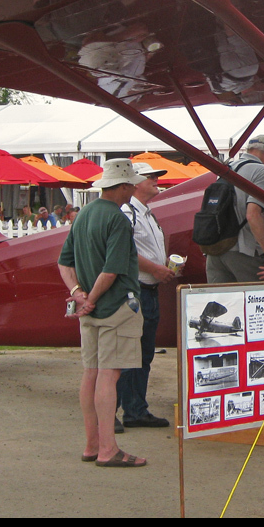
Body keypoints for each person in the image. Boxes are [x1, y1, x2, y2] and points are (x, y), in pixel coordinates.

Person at [57, 158, 148, 468]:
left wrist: (77, 294)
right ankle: (109, 449)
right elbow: (112, 270)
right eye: (132, 184)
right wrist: (92, 298)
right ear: (122, 187)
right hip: (116, 307)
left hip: (90, 313)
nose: (135, 188)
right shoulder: (119, 220)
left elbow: (64, 262)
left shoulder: (83, 216)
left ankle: (92, 444)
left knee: (91, 373)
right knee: (110, 375)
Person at [115, 162, 175, 431]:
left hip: (148, 290)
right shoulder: (129, 213)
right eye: (150, 177)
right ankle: (113, 411)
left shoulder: (147, 214)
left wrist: (164, 267)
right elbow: (125, 250)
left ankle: (135, 409)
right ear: (135, 182)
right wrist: (156, 269)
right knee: (129, 354)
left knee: (143, 355)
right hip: (136, 290)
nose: (155, 180)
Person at [204, 134, 264, 284]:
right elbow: (252, 215)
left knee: (223, 303)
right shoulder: (262, 170)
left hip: (216, 251)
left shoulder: (227, 168)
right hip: (243, 250)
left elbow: (237, 194)